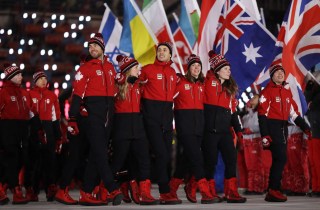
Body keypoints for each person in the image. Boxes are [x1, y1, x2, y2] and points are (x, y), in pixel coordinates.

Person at [67, 33, 123, 206]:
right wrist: (73, 119)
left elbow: (114, 91)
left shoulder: (110, 67)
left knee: (95, 156)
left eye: (96, 46)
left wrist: (120, 81)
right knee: (100, 153)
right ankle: (112, 188)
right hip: (92, 117)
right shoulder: (84, 69)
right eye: (90, 46)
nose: (92, 49)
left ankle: (86, 192)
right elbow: (76, 96)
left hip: (108, 116)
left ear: (102, 48)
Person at [257, 64, 311, 202]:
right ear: (272, 76)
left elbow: (292, 114)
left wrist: (304, 126)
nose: (280, 74)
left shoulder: (287, 92)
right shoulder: (267, 92)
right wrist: (265, 135)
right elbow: (262, 114)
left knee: (279, 159)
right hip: (272, 127)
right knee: (280, 158)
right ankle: (273, 189)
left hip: (283, 129)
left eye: (282, 72)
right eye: (277, 72)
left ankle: (273, 189)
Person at [169, 54, 218, 204]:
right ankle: (204, 191)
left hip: (199, 128)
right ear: (188, 68)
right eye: (193, 66)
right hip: (185, 128)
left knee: (187, 159)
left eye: (199, 66)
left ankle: (172, 189)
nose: (196, 68)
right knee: (197, 158)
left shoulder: (202, 85)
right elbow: (167, 97)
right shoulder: (180, 82)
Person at [110, 54, 158, 205]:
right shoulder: (116, 84)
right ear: (129, 69)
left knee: (144, 158)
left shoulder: (138, 84)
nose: (139, 70)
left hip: (137, 124)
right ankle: (105, 189)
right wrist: (121, 80)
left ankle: (144, 192)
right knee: (118, 160)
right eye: (137, 68)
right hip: (122, 124)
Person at [202, 51, 246, 203]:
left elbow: (234, 114)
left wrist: (239, 131)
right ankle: (209, 192)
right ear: (218, 70)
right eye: (226, 68)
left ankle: (231, 192)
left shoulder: (230, 90)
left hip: (225, 132)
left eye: (229, 69)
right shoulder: (207, 82)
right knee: (210, 162)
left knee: (231, 160)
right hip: (210, 132)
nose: (229, 71)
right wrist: (214, 58)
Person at [139, 42, 180, 204]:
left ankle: (164, 191)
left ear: (170, 55)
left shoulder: (172, 72)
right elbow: (136, 85)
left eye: (165, 50)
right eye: (160, 50)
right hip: (151, 116)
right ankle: (164, 190)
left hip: (167, 117)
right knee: (160, 153)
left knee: (166, 155)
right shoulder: (148, 69)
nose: (161, 52)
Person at [26, 69, 62, 202]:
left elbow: (55, 117)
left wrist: (58, 136)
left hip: (49, 130)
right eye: (40, 78)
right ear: (35, 81)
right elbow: (28, 112)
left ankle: (50, 188)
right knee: (35, 161)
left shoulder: (52, 96)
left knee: (50, 161)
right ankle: (32, 190)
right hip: (35, 130)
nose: (43, 80)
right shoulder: (30, 94)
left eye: (45, 78)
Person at [0, 64, 31, 204]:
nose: (21, 77)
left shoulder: (23, 92)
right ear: (11, 77)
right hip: (8, 127)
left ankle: (5, 185)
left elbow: (30, 111)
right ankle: (15, 189)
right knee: (11, 157)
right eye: (18, 75)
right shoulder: (3, 92)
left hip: (22, 128)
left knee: (22, 158)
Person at [241, 94, 266, 194]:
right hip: (247, 141)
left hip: (256, 140)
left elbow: (261, 126)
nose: (252, 99)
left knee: (257, 165)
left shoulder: (260, 112)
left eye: (255, 97)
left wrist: (250, 130)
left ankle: (258, 187)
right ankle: (251, 187)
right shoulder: (248, 114)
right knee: (250, 166)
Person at [304, 71, 320, 197]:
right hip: (313, 130)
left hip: (318, 129)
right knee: (314, 162)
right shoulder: (313, 91)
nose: (315, 78)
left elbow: (312, 104)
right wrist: (310, 85)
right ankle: (316, 188)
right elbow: (306, 99)